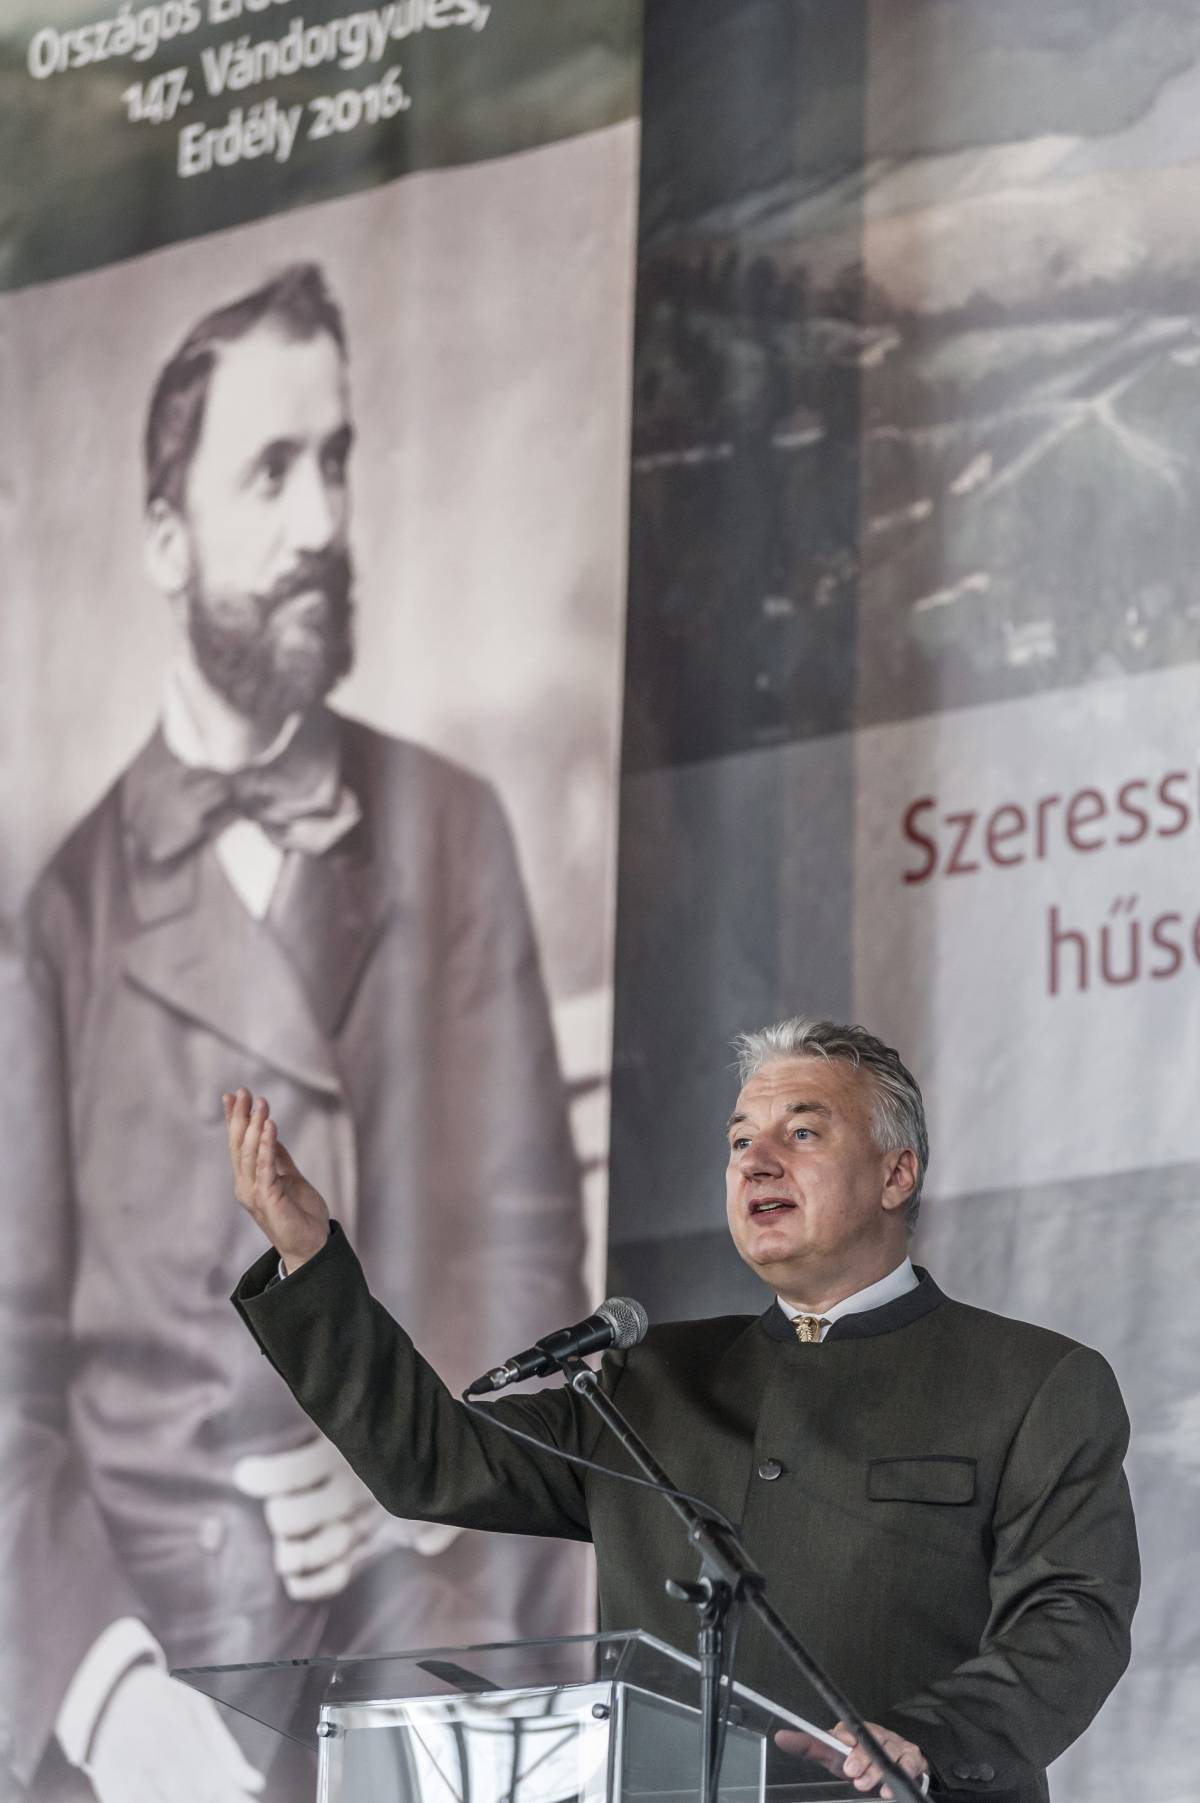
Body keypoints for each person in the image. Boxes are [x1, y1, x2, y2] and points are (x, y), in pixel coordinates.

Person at [2, 262, 588, 1802]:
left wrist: (419, 1468)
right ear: (166, 536)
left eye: (334, 460)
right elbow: (7, 1378)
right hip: (159, 1654)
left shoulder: (453, 831)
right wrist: (106, 1691)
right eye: (269, 472)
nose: (321, 519)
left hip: (423, 1609)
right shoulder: (60, 916)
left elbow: (530, 1252)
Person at [227, 1016, 1139, 1803]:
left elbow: (1073, 1617)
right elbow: (432, 1461)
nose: (757, 1161)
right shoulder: (651, 1377)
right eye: (740, 1141)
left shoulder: (1031, 1381)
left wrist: (926, 1738)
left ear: (896, 1174)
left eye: (802, 1132)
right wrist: (310, 1261)